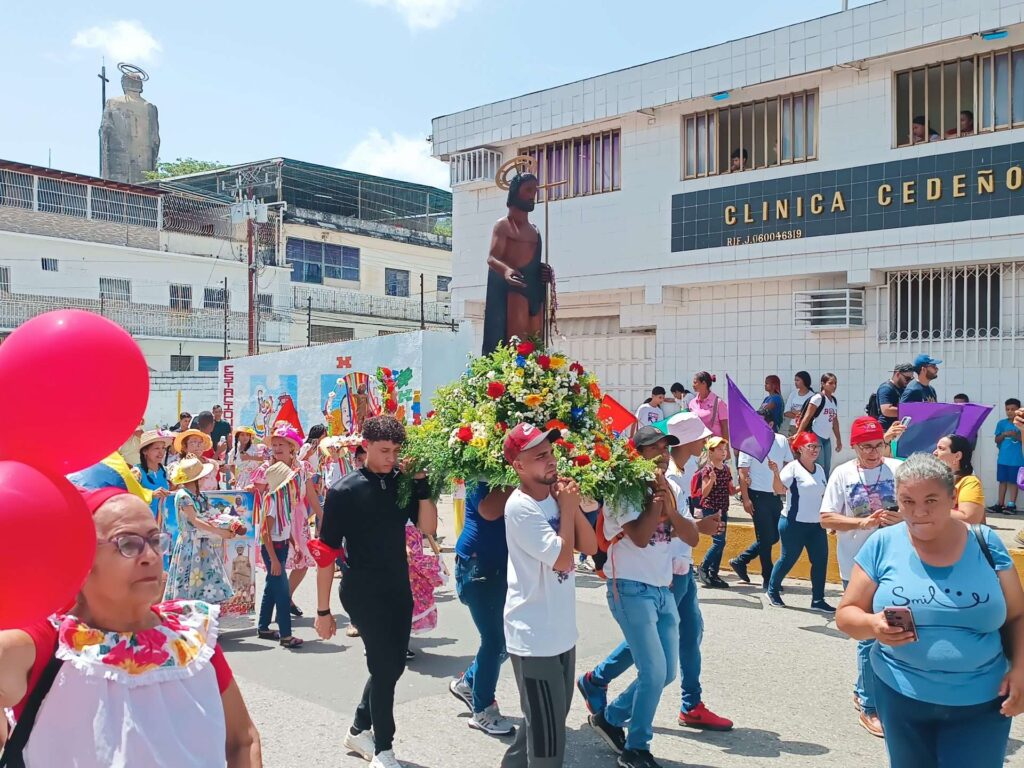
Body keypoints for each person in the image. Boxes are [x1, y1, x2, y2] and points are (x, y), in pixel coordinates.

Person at [0, 489, 261, 767]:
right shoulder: (52, 643)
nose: (149, 555)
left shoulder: (192, 637)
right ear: (81, 559)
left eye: (154, 540)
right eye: (128, 544)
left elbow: (242, 739)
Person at [836, 453, 1024, 768]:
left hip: (982, 702)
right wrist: (873, 624)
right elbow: (846, 614)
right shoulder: (882, 544)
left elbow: (1018, 615)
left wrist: (1021, 669)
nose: (919, 512)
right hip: (900, 697)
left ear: (952, 498)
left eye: (931, 500)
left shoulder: (985, 543)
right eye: (907, 501)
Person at [310, 415, 439, 768]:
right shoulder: (344, 491)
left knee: (393, 666)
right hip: (361, 590)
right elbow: (326, 553)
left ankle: (357, 729)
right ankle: (383, 748)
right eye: (384, 450)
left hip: (398, 584)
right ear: (365, 445)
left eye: (396, 451)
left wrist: (421, 485)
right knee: (384, 667)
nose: (391, 458)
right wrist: (322, 612)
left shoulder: (402, 483)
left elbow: (428, 527)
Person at [585, 425, 716, 768]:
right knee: (653, 671)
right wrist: (656, 505)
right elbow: (641, 537)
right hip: (629, 587)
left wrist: (670, 510)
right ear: (638, 453)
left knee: (667, 672)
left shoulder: (671, 487)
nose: (661, 454)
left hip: (662, 589)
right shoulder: (624, 489)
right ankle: (637, 747)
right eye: (654, 448)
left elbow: (691, 537)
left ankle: (611, 718)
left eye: (665, 448)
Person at [497, 423, 597, 768]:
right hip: (534, 638)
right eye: (539, 455)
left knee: (539, 728)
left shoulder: (555, 499)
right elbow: (565, 559)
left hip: (560, 634)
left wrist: (572, 507)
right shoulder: (520, 507)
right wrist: (567, 508)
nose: (550, 460)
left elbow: (591, 546)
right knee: (548, 746)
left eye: (551, 452)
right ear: (519, 466)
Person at [819, 415, 904, 738]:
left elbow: (918, 508)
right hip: (857, 567)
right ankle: (870, 707)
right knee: (868, 637)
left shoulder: (897, 469)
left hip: (896, 562)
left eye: (878, 445)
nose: (873, 452)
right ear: (854, 447)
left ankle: (861, 690)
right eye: (866, 447)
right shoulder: (842, 474)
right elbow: (826, 518)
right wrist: (863, 524)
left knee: (892, 632)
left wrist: (902, 516)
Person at [449, 481, 517, 736]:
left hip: (507, 566)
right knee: (495, 639)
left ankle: (469, 681)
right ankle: (483, 710)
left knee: (509, 638)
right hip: (479, 565)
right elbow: (488, 510)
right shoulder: (483, 468)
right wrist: (520, 477)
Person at [250, 426, 323, 619]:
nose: (277, 447)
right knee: (277, 564)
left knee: (303, 562)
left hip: (298, 520)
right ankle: (271, 613)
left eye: (281, 444)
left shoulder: (302, 468)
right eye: (274, 445)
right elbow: (255, 494)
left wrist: (322, 517)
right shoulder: (266, 468)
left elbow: (312, 496)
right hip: (275, 519)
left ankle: (287, 597)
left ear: (292, 447)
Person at [482, 172, 554, 354]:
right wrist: (506, 271)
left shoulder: (536, 231)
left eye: (535, 190)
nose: (533, 195)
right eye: (528, 190)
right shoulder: (503, 226)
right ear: (515, 192)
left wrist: (543, 270)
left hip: (535, 290)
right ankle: (515, 378)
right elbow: (492, 258)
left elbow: (533, 260)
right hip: (516, 286)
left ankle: (537, 377)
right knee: (517, 342)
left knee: (536, 341)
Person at [766, 432, 832, 611]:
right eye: (810, 446)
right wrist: (775, 473)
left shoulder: (819, 469)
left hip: (816, 525)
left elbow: (823, 495)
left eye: (817, 446)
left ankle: (818, 599)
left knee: (820, 561)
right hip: (793, 523)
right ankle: (772, 590)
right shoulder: (792, 468)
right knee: (788, 559)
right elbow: (779, 489)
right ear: (800, 449)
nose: (815, 450)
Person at [164, 455, 241, 605]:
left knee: (205, 582)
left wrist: (228, 523)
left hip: (203, 544)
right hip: (190, 544)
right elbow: (195, 521)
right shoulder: (184, 495)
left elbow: (209, 516)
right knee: (191, 583)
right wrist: (220, 532)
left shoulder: (199, 496)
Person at [730, 412, 793, 590]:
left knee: (774, 536)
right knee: (765, 539)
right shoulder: (749, 442)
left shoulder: (781, 440)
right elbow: (743, 473)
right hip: (757, 496)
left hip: (775, 495)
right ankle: (768, 577)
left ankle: (741, 560)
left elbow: (789, 464)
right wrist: (746, 499)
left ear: (771, 424)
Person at [696, 436, 738, 589]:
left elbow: (731, 491)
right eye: (719, 449)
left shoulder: (726, 469)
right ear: (711, 452)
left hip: (723, 509)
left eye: (724, 449)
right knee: (719, 542)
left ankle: (713, 573)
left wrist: (743, 486)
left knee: (720, 543)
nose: (723, 452)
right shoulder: (708, 470)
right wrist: (712, 480)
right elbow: (704, 493)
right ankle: (704, 567)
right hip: (711, 509)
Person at [933, 434, 986, 524]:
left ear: (957, 456)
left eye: (941, 448)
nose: (934, 452)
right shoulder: (934, 481)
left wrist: (927, 511)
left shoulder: (970, 482)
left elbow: (969, 518)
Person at [797, 372, 841, 476]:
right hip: (816, 435)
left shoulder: (833, 400)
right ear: (823, 384)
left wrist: (838, 439)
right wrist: (798, 434)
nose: (834, 386)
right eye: (830, 383)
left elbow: (834, 421)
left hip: (826, 437)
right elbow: (807, 417)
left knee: (827, 466)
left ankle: (824, 490)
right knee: (819, 465)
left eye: (835, 383)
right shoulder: (818, 398)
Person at [990, 398, 1023, 516]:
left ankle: (1011, 505)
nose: (1010, 412)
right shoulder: (1002, 423)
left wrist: (1017, 436)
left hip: (1017, 459)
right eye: (1007, 409)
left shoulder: (1021, 423)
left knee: (1013, 482)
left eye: (1013, 409)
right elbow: (996, 439)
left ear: (1018, 410)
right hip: (1003, 458)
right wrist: (1004, 434)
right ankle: (1000, 504)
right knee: (1002, 481)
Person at [172, 425, 220, 492]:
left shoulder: (212, 465)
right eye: (193, 442)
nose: (198, 445)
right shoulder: (176, 467)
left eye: (201, 442)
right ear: (184, 447)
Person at [689, 371, 730, 444]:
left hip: (714, 447)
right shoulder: (692, 403)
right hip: (698, 447)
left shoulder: (718, 402)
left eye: (695, 382)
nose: (693, 385)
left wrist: (726, 447)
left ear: (704, 383)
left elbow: (725, 427)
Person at [875, 363, 914, 431]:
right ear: (897, 374)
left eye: (911, 379)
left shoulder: (903, 389)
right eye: (907, 378)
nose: (909, 381)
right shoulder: (886, 388)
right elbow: (886, 410)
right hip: (887, 430)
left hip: (897, 429)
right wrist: (910, 411)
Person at [227, 426, 265, 490]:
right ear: (238, 437)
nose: (245, 437)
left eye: (247, 435)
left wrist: (249, 457)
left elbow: (266, 458)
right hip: (241, 480)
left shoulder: (256, 448)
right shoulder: (234, 450)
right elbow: (231, 465)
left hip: (255, 480)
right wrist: (233, 477)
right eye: (242, 435)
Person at [783, 371, 814, 437]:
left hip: (806, 428)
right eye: (795, 380)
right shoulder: (793, 394)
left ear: (804, 381)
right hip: (793, 427)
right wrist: (800, 415)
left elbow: (811, 415)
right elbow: (786, 412)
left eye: (797, 380)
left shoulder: (812, 396)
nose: (795, 382)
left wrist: (794, 411)